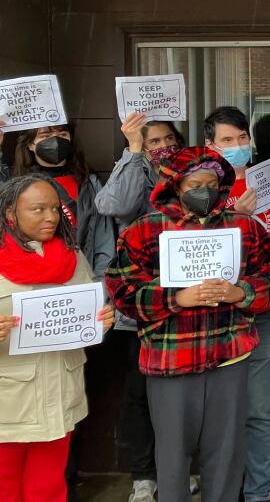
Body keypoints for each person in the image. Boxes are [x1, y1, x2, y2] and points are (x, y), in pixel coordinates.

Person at [105, 147, 270, 502]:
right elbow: (123, 291)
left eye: (212, 183)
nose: (204, 190)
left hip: (228, 355)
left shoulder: (244, 226)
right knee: (172, 457)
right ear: (175, 186)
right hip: (170, 360)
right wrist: (176, 298)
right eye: (194, 184)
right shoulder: (144, 231)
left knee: (226, 453)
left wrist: (241, 292)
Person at [0, 175, 114, 502]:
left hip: (59, 393)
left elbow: (84, 312)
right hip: (9, 399)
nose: (51, 217)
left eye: (54, 208)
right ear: (11, 214)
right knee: (4, 486)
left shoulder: (72, 255)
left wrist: (99, 320)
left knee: (48, 487)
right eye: (38, 209)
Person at [94, 112, 188, 502]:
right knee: (138, 395)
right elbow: (113, 204)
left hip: (184, 306)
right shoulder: (131, 168)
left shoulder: (191, 173)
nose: (163, 147)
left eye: (169, 140)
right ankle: (143, 477)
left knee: (177, 399)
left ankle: (174, 475)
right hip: (139, 308)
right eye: (154, 142)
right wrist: (133, 152)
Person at [204, 105, 270, 502]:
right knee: (218, 417)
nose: (236, 147)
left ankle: (259, 494)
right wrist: (234, 215)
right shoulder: (200, 186)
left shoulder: (263, 182)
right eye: (227, 141)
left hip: (260, 313)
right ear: (210, 145)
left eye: (242, 139)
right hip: (213, 317)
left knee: (259, 413)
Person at [13, 123, 116, 279]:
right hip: (37, 279)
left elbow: (103, 239)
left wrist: (101, 283)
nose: (55, 141)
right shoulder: (18, 188)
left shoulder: (90, 184)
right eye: (45, 136)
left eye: (62, 135)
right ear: (29, 144)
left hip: (83, 277)